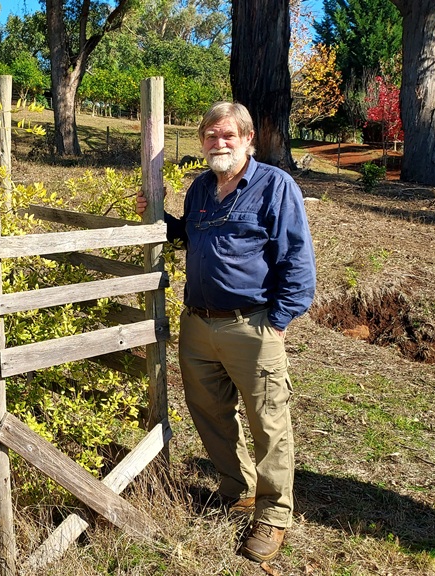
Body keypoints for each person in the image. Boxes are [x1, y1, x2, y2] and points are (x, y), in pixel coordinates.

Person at [137, 102, 316, 562]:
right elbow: (192, 238)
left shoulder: (275, 186)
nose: (219, 143)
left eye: (228, 135)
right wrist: (160, 219)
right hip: (198, 323)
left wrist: (278, 321)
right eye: (211, 136)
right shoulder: (200, 188)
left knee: (268, 422)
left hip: (252, 324)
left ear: (248, 139)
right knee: (210, 413)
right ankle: (239, 491)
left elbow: (297, 260)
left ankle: (274, 516)